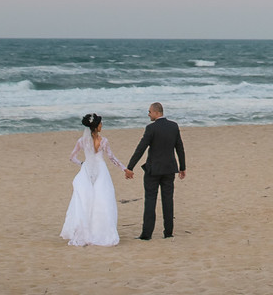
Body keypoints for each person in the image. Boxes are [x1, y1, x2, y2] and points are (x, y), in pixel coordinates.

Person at [60, 113, 127, 246]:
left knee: (87, 201)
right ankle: (101, 231)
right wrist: (124, 169)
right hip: (101, 170)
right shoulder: (104, 141)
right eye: (100, 124)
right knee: (102, 200)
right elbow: (112, 158)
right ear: (96, 126)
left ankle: (87, 232)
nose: (102, 126)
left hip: (87, 171)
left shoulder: (82, 141)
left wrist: (82, 164)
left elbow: (72, 157)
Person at [125, 102, 186, 240]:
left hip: (153, 170)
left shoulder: (151, 128)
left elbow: (141, 148)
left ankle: (147, 234)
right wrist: (182, 167)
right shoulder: (173, 126)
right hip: (170, 169)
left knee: (150, 201)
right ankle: (168, 232)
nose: (148, 114)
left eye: (150, 112)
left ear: (157, 113)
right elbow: (179, 148)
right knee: (168, 200)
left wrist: (130, 167)